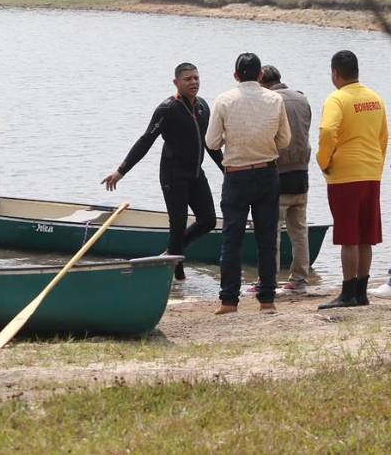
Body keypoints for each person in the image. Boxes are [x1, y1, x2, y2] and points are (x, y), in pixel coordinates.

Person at [102, 62, 224, 281]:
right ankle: (177, 277)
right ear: (176, 82)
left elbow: (210, 144)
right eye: (188, 79)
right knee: (177, 225)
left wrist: (227, 169)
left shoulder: (203, 107)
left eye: (196, 78)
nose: (193, 82)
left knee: (208, 220)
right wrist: (121, 171)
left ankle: (173, 252)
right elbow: (146, 140)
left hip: (196, 174)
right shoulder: (167, 109)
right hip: (173, 176)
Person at [206, 53, 291, 314]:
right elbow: (285, 140)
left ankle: (229, 300)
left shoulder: (224, 100)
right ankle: (267, 299)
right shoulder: (275, 99)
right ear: (260, 76)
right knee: (267, 238)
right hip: (267, 173)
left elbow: (211, 142)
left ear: (235, 76)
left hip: (236, 174)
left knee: (232, 239)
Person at [316, 50, 387, 309]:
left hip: (345, 175)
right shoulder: (375, 98)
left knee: (348, 236)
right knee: (366, 235)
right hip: (371, 172)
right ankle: (362, 292)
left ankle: (347, 292)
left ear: (335, 73)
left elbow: (327, 131)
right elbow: (383, 136)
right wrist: (377, 164)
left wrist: (324, 161)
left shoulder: (337, 99)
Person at [255, 65, 313, 294]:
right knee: (299, 232)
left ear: (261, 81)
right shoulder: (302, 99)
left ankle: (267, 281)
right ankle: (299, 281)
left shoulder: (271, 101)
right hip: (302, 173)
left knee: (271, 232)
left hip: (279, 175)